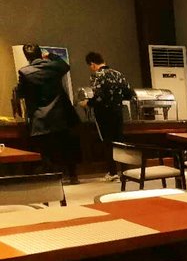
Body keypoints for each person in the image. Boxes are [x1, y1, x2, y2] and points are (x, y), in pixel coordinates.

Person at [15, 43, 80, 184]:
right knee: (66, 146)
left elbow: (21, 93)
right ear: (41, 53)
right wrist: (50, 55)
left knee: (46, 151)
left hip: (40, 117)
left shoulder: (24, 72)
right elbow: (65, 66)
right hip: (61, 114)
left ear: (27, 57)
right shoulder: (54, 66)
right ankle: (73, 176)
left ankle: (53, 179)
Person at [79, 51, 135, 182]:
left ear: (92, 64)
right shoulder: (118, 74)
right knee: (120, 141)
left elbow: (99, 97)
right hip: (118, 112)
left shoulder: (97, 76)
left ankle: (112, 172)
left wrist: (87, 103)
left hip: (103, 114)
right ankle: (125, 172)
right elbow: (129, 94)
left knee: (108, 142)